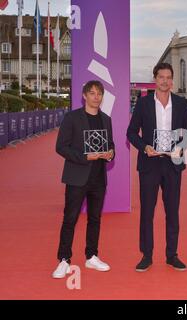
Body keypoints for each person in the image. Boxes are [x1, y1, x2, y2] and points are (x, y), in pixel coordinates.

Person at [127, 62, 187, 272]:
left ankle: (172, 255)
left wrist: (181, 148)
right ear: (155, 79)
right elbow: (130, 133)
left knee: (172, 212)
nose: (165, 81)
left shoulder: (182, 103)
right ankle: (146, 255)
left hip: (173, 164)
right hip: (149, 164)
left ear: (172, 80)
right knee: (147, 211)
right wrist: (144, 147)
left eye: (168, 77)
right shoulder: (144, 103)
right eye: (161, 77)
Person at [52, 80, 115, 278]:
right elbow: (61, 147)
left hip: (98, 178)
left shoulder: (106, 119)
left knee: (95, 219)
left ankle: (92, 256)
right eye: (92, 93)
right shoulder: (72, 118)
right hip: (77, 177)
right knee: (70, 219)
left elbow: (111, 144)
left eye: (99, 94)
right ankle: (63, 259)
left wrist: (111, 153)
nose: (96, 97)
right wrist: (84, 157)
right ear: (84, 95)